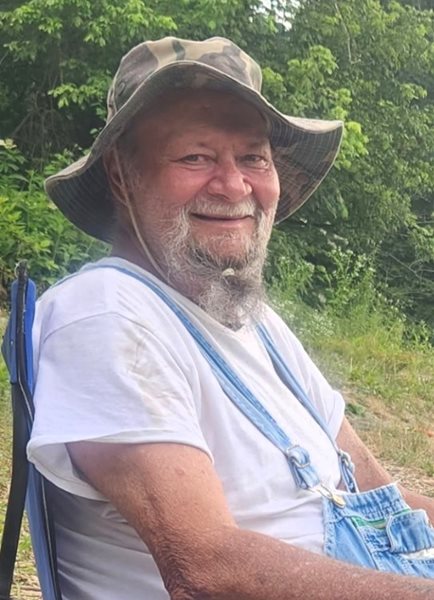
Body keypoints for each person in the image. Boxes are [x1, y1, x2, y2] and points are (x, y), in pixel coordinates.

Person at [29, 37, 434, 599]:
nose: (234, 185)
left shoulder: (255, 324)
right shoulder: (106, 313)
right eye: (195, 157)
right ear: (122, 174)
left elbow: (378, 495)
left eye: (253, 158)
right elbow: (206, 570)